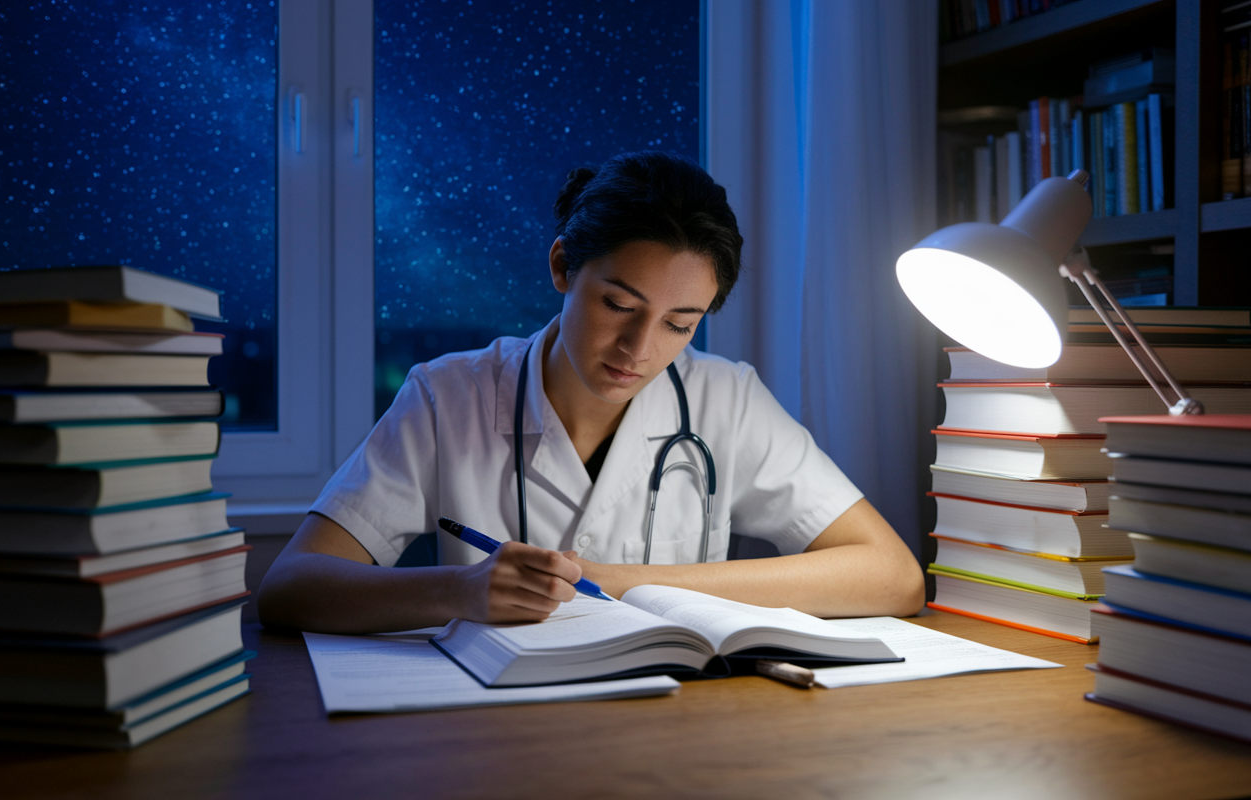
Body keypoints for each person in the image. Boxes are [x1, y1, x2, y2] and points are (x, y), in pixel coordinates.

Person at [258, 151, 924, 633]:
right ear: (561, 268)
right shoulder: (447, 396)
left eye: (679, 324)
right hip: (498, 730)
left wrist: (614, 580)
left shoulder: (728, 399)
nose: (640, 350)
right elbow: (290, 588)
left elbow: (893, 577)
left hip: (680, 728)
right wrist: (461, 589)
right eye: (617, 305)